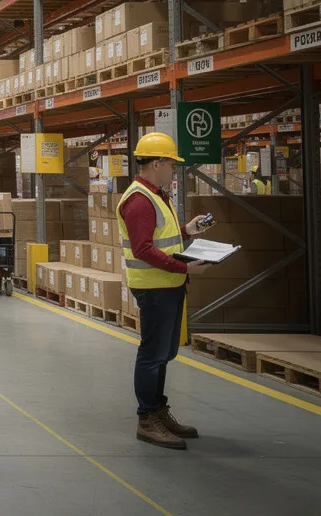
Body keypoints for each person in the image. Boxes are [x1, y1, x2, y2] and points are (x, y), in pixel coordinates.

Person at [119, 132, 212, 450]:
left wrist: (188, 230)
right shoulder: (139, 200)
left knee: (164, 354)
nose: (175, 169)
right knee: (152, 355)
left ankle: (158, 410)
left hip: (168, 285)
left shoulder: (156, 195)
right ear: (156, 163)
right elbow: (143, 249)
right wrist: (185, 268)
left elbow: (162, 239)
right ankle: (147, 419)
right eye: (172, 164)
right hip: (155, 287)